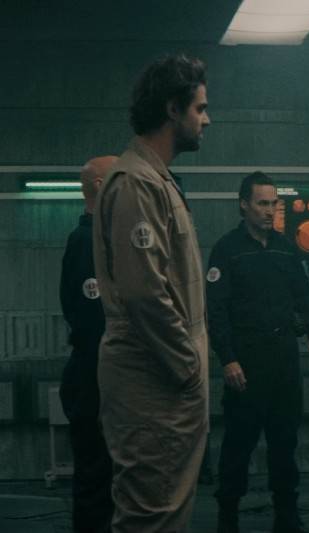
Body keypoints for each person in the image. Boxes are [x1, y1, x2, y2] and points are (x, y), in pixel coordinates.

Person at [92, 53, 211, 532]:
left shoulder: (155, 180)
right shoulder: (136, 184)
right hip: (155, 382)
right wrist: (188, 368)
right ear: (172, 109)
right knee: (153, 515)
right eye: (200, 108)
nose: (207, 119)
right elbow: (145, 294)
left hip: (164, 383)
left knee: (166, 511)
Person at [208, 171, 309, 533]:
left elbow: (303, 295)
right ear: (244, 205)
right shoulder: (227, 250)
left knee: (284, 444)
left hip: (283, 363)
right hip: (245, 364)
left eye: (274, 203)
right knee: (238, 445)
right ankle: (227, 517)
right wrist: (227, 358)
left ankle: (286, 516)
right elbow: (216, 311)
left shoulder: (285, 249)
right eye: (262, 203)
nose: (270, 210)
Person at [59, 155, 118, 532]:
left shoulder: (105, 240)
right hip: (94, 376)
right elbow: (89, 319)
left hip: (102, 374)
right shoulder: (86, 242)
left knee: (107, 478)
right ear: (100, 185)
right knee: (96, 477)